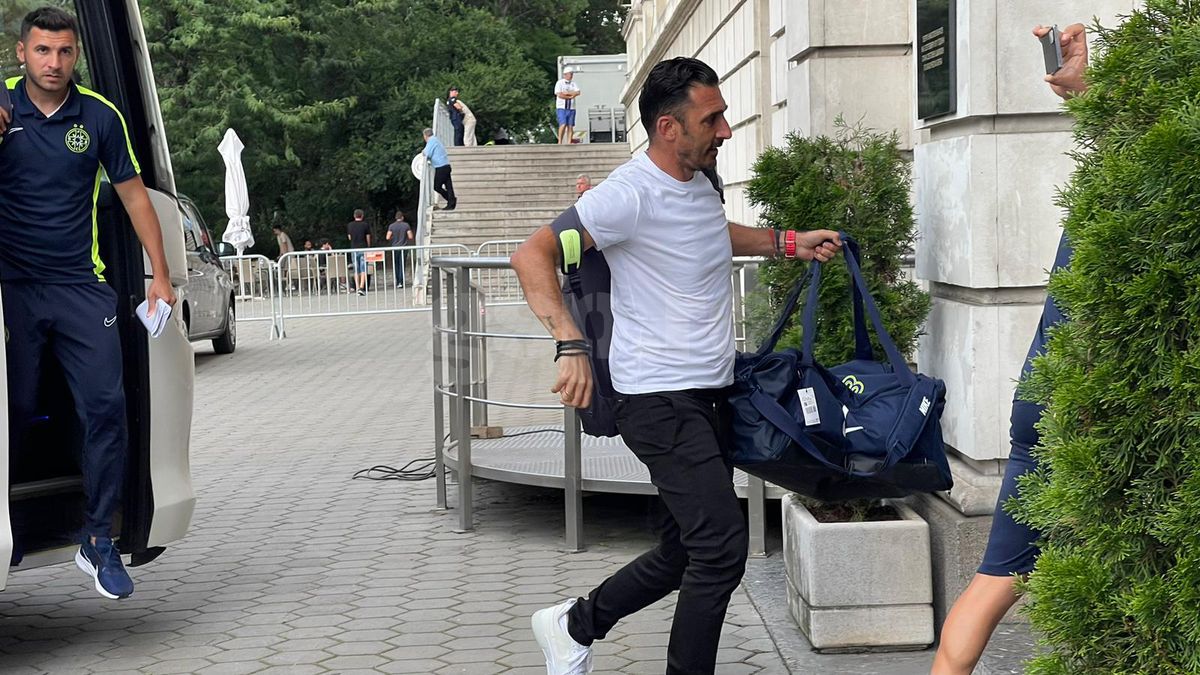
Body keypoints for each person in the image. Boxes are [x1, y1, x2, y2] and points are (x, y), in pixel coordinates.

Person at [511, 57, 841, 674]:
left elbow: (711, 232)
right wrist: (570, 343)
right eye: (711, 119)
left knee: (683, 549)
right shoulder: (627, 194)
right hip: (657, 399)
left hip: (708, 393)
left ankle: (572, 624)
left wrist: (787, 242)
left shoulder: (700, 182)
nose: (726, 130)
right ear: (669, 127)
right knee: (720, 548)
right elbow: (531, 255)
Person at [0, 6, 176, 599]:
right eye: (42, 51)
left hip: (81, 285)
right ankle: (9, 526)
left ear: (77, 55)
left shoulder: (99, 116)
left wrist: (160, 274)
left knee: (105, 408)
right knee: (16, 412)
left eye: (65, 52)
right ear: (21, 52)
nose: (54, 63)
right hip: (13, 289)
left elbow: (134, 199)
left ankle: (98, 538)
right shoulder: (2, 105)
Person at [931, 23, 1090, 675]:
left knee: (996, 578)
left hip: (1040, 402)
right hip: (1088, 411)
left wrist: (1084, 91)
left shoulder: (1097, 208)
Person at [423, 128, 456, 210]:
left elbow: (427, 153)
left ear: (425, 136)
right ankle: (451, 203)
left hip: (441, 167)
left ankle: (451, 200)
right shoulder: (436, 140)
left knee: (437, 186)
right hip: (446, 165)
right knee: (449, 186)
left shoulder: (431, 141)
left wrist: (422, 152)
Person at [346, 208, 371, 295]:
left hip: (354, 248)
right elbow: (368, 237)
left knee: (356, 269)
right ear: (362, 216)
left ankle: (356, 287)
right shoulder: (365, 225)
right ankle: (361, 287)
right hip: (363, 248)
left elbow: (349, 237)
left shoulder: (350, 225)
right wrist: (368, 246)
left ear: (354, 216)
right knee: (363, 268)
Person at [385, 210, 413, 288]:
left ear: (395, 218)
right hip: (403, 247)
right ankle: (401, 281)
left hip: (395, 247)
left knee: (396, 265)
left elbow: (387, 237)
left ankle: (398, 281)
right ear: (402, 217)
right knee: (402, 264)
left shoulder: (391, 226)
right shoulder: (406, 225)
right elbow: (410, 236)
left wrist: (393, 237)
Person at [554, 66, 581, 145]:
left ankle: (569, 141)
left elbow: (578, 92)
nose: (571, 75)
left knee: (570, 125)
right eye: (570, 74)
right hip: (562, 107)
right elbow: (559, 94)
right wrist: (570, 95)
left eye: (572, 74)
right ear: (565, 74)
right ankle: (560, 141)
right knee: (563, 124)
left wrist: (568, 93)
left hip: (571, 107)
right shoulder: (560, 83)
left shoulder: (573, 84)